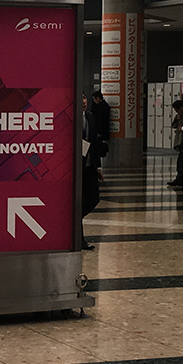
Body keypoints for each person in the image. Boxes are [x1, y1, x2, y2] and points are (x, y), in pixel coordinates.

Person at [82, 92, 102, 250]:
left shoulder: (90, 117)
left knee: (94, 198)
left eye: (84, 97)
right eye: (80, 98)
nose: (83, 101)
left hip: (90, 165)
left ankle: (75, 219)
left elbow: (94, 143)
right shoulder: (69, 118)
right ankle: (79, 238)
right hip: (76, 168)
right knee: (79, 201)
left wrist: (99, 167)